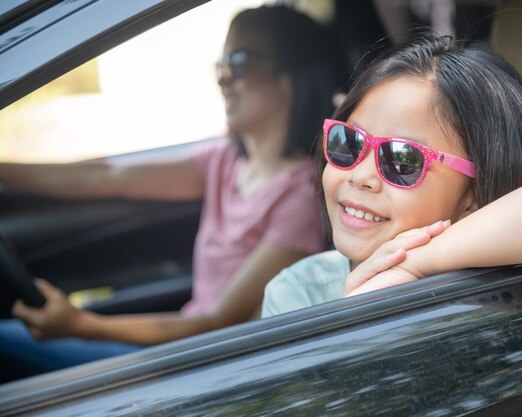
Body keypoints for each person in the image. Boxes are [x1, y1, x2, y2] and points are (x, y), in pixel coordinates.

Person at [0, 5, 341, 382]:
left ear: (288, 78)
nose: (223, 79)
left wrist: (83, 324)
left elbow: (219, 323)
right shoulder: (224, 160)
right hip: (178, 345)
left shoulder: (298, 198)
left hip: (200, 367)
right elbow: (107, 176)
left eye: (238, 62)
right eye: (221, 65)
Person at [261, 34, 522, 317]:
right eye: (349, 142)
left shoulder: (512, 270)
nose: (360, 175)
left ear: (473, 197)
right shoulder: (298, 290)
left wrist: (411, 266)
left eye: (402, 160)